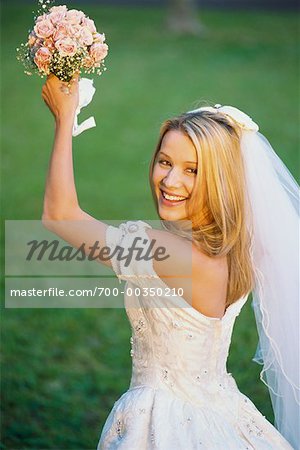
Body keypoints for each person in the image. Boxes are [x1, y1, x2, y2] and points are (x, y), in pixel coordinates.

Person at [41, 74, 299, 449]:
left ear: (220, 179)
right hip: (221, 409)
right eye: (165, 162)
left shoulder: (169, 255)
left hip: (164, 421)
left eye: (192, 170)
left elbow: (59, 215)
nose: (170, 180)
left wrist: (65, 119)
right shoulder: (237, 250)